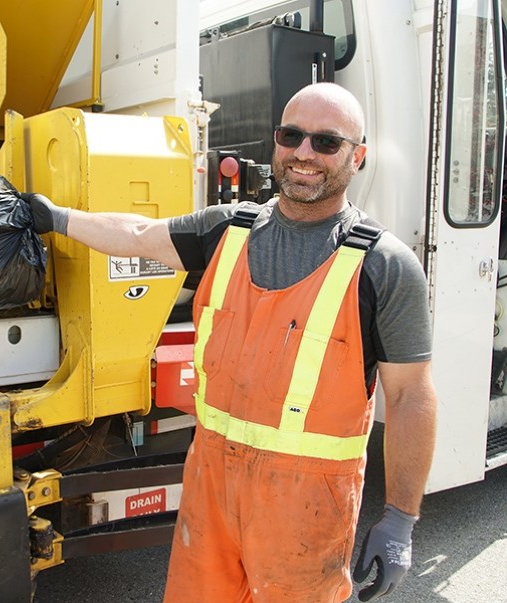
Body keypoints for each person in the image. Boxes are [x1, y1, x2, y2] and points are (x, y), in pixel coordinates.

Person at [23, 82, 437, 602]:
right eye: (292, 136)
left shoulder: (384, 266)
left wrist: (400, 520)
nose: (304, 153)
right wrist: (54, 217)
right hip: (210, 490)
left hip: (307, 510)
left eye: (326, 142)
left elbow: (410, 397)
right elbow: (135, 235)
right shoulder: (227, 232)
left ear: (358, 156)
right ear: (276, 142)